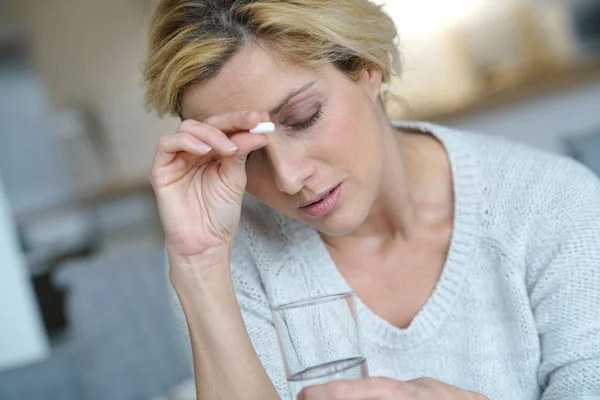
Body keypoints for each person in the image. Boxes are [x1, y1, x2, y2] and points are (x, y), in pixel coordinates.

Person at [143, 1, 600, 399]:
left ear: (367, 68)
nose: (287, 176)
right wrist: (200, 265)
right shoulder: (225, 260)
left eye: (303, 117)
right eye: (245, 150)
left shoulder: (553, 203)